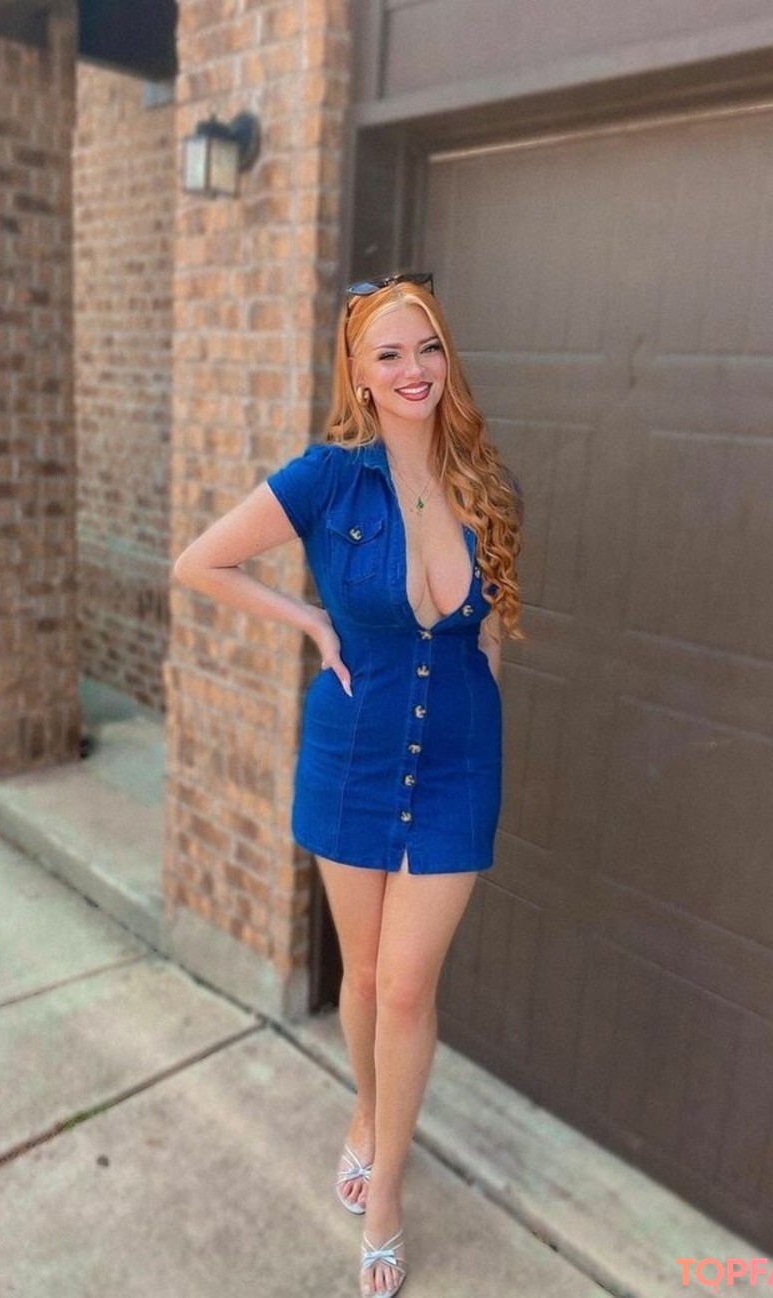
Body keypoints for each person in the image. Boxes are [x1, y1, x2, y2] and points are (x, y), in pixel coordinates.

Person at [172, 271, 524, 1297]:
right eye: (390, 354)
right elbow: (201, 562)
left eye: (429, 348)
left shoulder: (483, 479)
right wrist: (312, 621)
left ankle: (386, 1196)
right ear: (359, 374)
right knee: (363, 979)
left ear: (447, 359)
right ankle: (369, 1109)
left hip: (458, 760)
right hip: (353, 749)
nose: (415, 369)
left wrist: (478, 721)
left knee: (407, 985)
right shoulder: (328, 478)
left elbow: (490, 633)